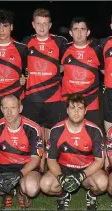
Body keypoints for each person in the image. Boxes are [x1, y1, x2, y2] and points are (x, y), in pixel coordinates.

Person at [39, 94, 107, 211]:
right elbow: (51, 160)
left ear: (85, 111)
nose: (76, 112)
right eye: (72, 108)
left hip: (86, 170)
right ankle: (63, 194)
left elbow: (99, 161)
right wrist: (60, 178)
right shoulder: (56, 130)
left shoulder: (94, 131)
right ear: (67, 110)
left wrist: (81, 175)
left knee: (102, 183)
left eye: (80, 108)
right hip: (64, 169)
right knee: (45, 185)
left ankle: (91, 195)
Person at [0, 95, 43, 209]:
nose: (9, 112)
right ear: (1, 109)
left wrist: (19, 174)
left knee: (31, 188)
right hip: (3, 167)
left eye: (13, 108)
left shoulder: (33, 128)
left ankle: (21, 192)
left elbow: (36, 159)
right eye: (6, 108)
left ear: (20, 109)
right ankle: (7, 192)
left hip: (26, 167)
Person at [20, 9, 68, 162]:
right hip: (32, 97)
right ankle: (38, 167)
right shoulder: (26, 42)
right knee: (36, 136)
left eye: (45, 24)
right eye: (39, 24)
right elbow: (19, 65)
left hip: (54, 97)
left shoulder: (60, 42)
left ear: (50, 25)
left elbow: (67, 64)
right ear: (33, 25)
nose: (42, 27)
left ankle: (50, 166)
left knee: (51, 137)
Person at [0, 9, 28, 127]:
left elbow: (27, 70)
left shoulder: (21, 48)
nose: (2, 30)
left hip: (14, 98)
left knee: (14, 134)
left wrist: (24, 79)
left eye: (5, 26)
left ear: (11, 27)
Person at [60, 17, 104, 126]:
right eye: (76, 29)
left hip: (91, 102)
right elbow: (58, 70)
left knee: (92, 136)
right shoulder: (64, 49)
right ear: (70, 32)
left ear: (88, 32)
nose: (79, 33)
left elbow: (105, 72)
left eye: (82, 29)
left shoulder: (97, 50)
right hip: (69, 101)